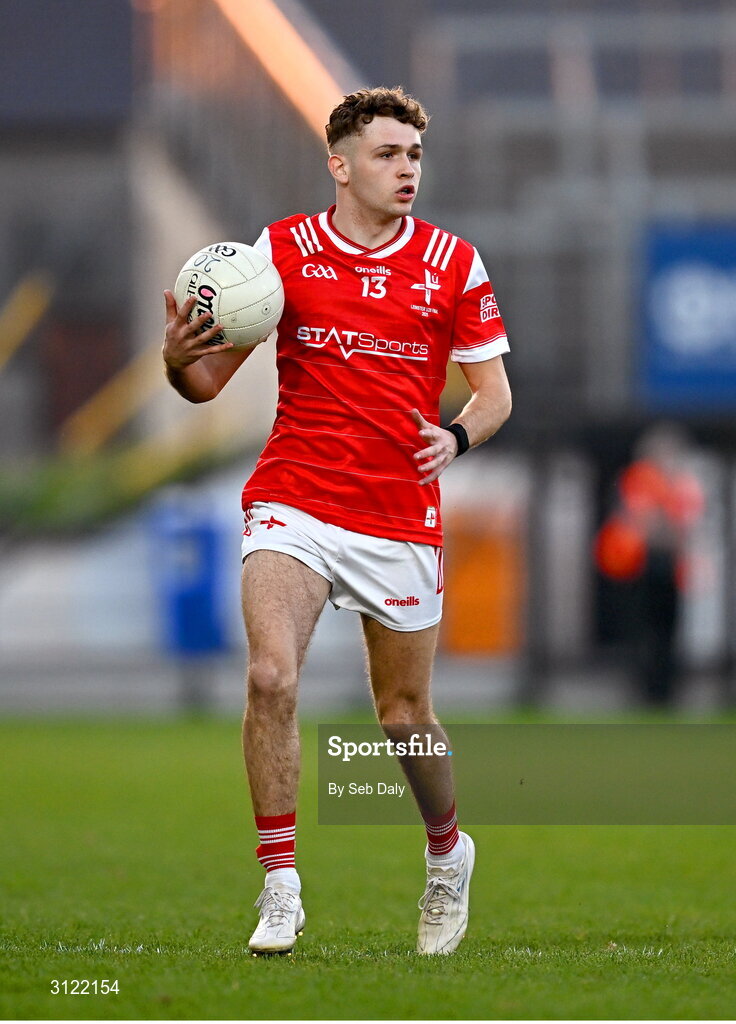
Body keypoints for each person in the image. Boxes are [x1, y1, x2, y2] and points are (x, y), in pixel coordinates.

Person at [162, 86, 512, 955]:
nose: (406, 171)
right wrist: (177, 361)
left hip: (398, 512)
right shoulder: (278, 253)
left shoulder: (454, 262)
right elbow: (206, 384)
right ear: (341, 164)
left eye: (415, 157)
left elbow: (497, 393)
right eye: (389, 155)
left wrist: (457, 436)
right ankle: (280, 885)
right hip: (295, 497)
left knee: (402, 716)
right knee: (271, 678)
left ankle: (446, 857)